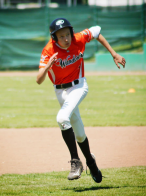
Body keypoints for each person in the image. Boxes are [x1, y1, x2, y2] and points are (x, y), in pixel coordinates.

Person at [36, 18, 126, 183]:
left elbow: (97, 31)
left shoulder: (78, 38)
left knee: (62, 118)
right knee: (79, 132)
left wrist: (114, 53)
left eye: (67, 34)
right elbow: (39, 80)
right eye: (61, 36)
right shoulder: (49, 50)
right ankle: (91, 162)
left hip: (79, 86)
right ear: (54, 38)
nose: (66, 39)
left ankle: (75, 162)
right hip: (60, 91)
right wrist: (47, 66)